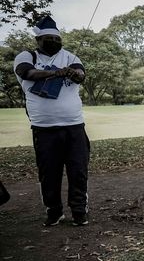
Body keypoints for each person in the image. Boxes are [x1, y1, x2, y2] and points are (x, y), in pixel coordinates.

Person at [13, 16, 90, 227]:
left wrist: (73, 72)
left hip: (73, 126)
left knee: (78, 170)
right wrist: (55, 73)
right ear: (38, 40)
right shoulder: (26, 56)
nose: (53, 41)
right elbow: (27, 73)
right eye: (48, 38)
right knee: (49, 173)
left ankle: (79, 210)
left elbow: (81, 75)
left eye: (57, 38)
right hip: (44, 128)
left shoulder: (70, 57)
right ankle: (54, 211)